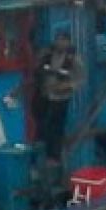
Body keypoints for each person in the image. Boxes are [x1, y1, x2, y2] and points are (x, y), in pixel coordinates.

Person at [34, 30, 84, 161]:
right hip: (45, 96)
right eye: (58, 39)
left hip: (61, 98)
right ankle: (41, 153)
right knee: (42, 125)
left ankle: (54, 156)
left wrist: (66, 86)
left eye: (63, 40)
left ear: (68, 42)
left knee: (56, 128)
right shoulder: (47, 54)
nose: (59, 43)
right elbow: (38, 69)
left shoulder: (73, 59)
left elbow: (80, 79)